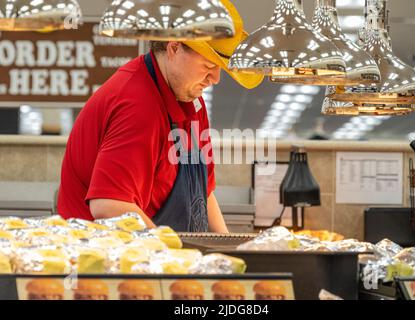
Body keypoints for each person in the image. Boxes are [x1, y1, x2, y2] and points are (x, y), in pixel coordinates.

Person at [57, 0, 263, 233]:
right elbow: (108, 206)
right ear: (174, 48)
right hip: (106, 256)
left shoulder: (192, 102)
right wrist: (170, 254)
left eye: (220, 68)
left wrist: (227, 249)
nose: (215, 78)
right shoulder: (137, 104)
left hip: (158, 254)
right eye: (208, 65)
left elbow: (203, 194)